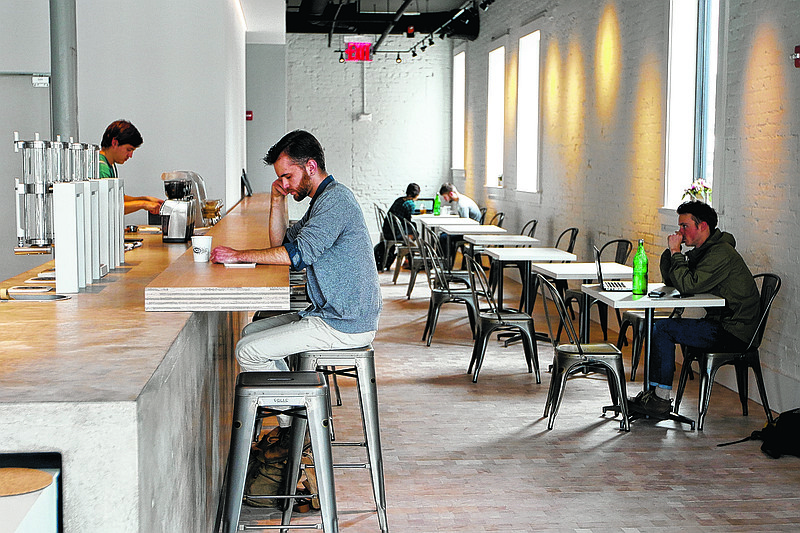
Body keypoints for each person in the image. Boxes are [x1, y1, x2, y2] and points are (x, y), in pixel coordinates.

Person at [210, 129, 382, 440]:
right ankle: (294, 420)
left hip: (344, 322)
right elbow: (283, 242)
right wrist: (277, 197)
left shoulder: (336, 201)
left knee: (247, 351)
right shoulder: (322, 202)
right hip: (328, 313)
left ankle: (293, 431)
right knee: (250, 333)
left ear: (311, 167)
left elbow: (298, 255)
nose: (285, 184)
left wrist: (238, 256)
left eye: (288, 177)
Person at [631, 201, 760, 417]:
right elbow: (673, 280)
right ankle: (654, 394)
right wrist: (672, 252)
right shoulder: (704, 251)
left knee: (663, 329)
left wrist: (675, 252)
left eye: (685, 226)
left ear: (703, 226)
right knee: (659, 326)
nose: (680, 231)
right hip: (721, 324)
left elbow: (688, 285)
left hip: (734, 331)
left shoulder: (720, 254)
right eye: (679, 226)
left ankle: (660, 400)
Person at [99, 120, 163, 215]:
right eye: (129, 149)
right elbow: (108, 207)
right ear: (114, 143)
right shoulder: (101, 168)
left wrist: (145, 199)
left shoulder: (109, 164)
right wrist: (143, 204)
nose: (130, 155)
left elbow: (117, 198)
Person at [375, 183, 420, 270]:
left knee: (411, 232)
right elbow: (408, 220)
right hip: (395, 233)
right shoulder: (410, 204)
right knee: (415, 233)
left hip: (388, 230)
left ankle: (408, 254)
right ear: (417, 194)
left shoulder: (399, 200)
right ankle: (409, 258)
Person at [438, 183, 481, 264]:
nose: (445, 199)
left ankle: (445, 262)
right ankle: (445, 261)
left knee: (443, 237)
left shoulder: (462, 204)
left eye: (445, 196)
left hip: (472, 232)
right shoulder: (461, 200)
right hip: (471, 229)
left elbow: (465, 224)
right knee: (443, 234)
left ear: (451, 193)